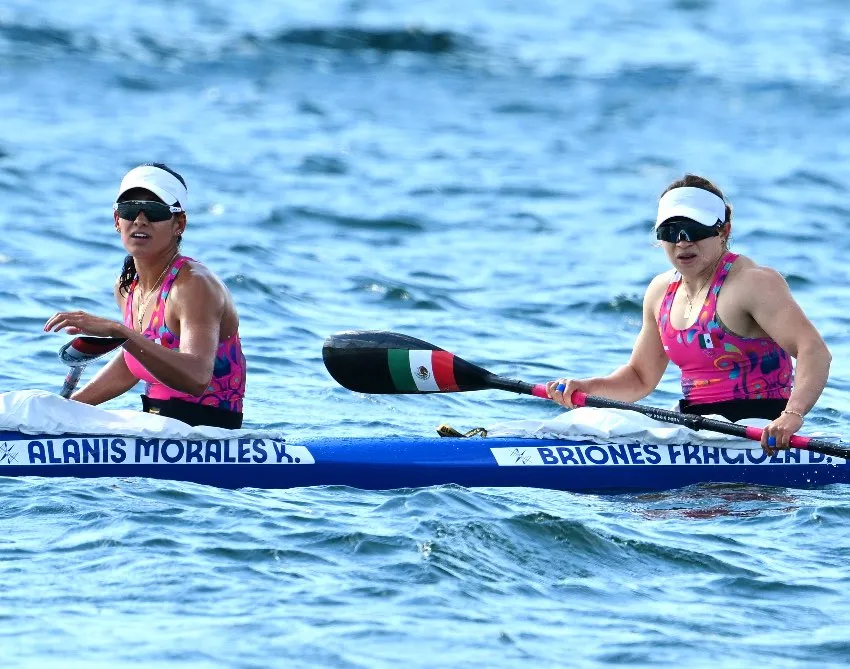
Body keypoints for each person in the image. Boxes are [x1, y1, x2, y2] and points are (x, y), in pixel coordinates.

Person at [547, 174, 831, 454]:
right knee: (580, 424)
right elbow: (640, 377)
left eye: (694, 230)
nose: (682, 242)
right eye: (671, 232)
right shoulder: (660, 291)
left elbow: (814, 350)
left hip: (758, 433)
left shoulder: (752, 283)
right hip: (694, 429)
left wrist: (792, 416)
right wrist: (584, 387)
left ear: (724, 231)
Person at [44, 163, 246, 428]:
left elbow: (197, 378)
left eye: (154, 211)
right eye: (129, 210)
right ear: (117, 221)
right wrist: (67, 409)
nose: (140, 220)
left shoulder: (194, 285)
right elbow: (134, 361)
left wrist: (120, 332)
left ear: (179, 224)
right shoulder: (127, 286)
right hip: (156, 425)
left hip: (207, 433)